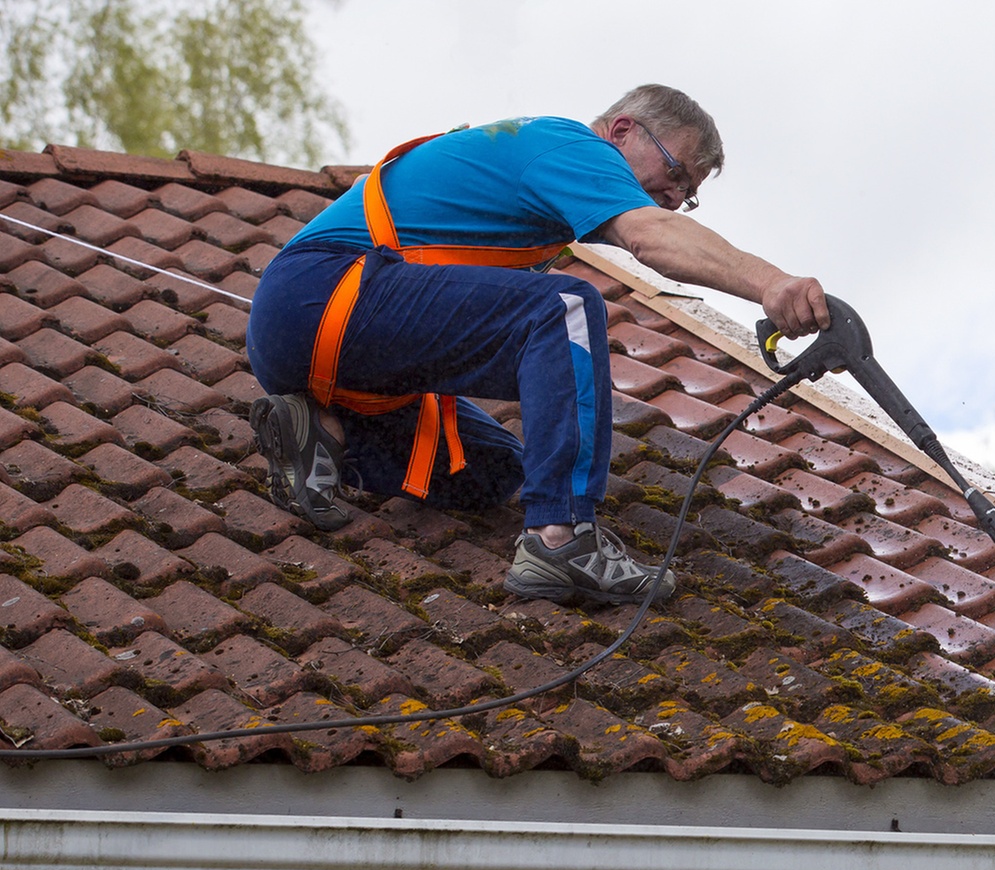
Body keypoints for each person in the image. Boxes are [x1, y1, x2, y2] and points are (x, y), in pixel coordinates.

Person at [245, 85, 828, 605]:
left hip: (315, 343)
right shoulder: (569, 145)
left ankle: (321, 432)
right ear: (623, 130)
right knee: (564, 309)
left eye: (688, 193)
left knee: (493, 471)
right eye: (675, 173)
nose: (674, 197)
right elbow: (652, 239)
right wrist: (771, 284)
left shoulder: (534, 187)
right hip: (323, 292)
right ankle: (562, 537)